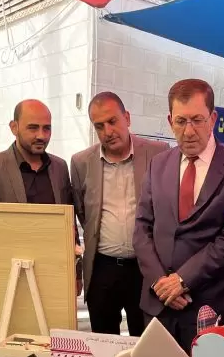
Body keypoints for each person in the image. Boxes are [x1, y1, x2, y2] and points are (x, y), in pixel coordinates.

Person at [133, 79, 224, 353]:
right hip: (159, 305)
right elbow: (142, 227)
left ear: (213, 119)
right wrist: (160, 282)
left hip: (212, 305)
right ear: (170, 121)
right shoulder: (158, 165)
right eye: (181, 121)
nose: (189, 131)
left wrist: (182, 280)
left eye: (197, 120)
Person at [71, 92, 169, 336]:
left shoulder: (158, 153)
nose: (107, 131)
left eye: (112, 121)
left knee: (146, 342)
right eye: (99, 126)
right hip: (102, 268)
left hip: (145, 268)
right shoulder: (81, 162)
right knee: (103, 342)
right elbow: (83, 213)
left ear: (127, 118)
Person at [0, 99, 81, 292]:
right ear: (14, 127)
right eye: (33, 128)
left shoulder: (60, 167)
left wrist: (76, 273)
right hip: (10, 279)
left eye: (47, 128)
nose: (41, 135)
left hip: (56, 275)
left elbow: (69, 224)